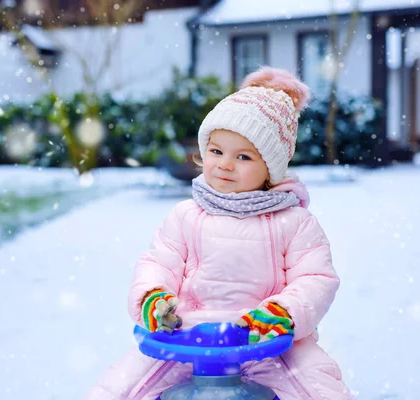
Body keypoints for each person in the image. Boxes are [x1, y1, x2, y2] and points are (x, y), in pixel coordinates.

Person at [84, 66, 353, 400]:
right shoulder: (186, 216)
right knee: (119, 388)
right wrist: (153, 298)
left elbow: (316, 279)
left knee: (320, 389)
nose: (225, 164)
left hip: (266, 344)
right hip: (185, 341)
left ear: (270, 167)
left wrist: (282, 313)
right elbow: (157, 263)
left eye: (243, 156)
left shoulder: (294, 222)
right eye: (216, 151)